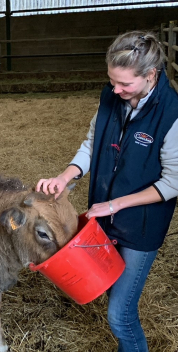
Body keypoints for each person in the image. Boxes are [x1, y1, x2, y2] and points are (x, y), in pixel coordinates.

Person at [36, 30, 178, 352]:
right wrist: (65, 176)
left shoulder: (172, 115)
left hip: (141, 226)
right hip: (106, 216)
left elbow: (173, 182)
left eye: (125, 83)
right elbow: (92, 144)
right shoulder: (111, 98)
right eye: (112, 81)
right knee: (111, 293)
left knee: (119, 315)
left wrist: (115, 204)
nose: (116, 89)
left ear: (151, 75)